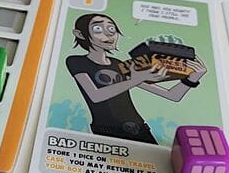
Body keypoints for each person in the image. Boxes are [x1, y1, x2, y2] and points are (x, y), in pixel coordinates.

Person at [66, 13, 207, 144]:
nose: (109, 33)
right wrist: (135, 80)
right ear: (80, 34)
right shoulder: (76, 61)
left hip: (140, 129)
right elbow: (95, 95)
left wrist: (193, 78)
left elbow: (172, 95)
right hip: (107, 130)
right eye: (98, 28)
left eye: (111, 28)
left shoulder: (120, 64)